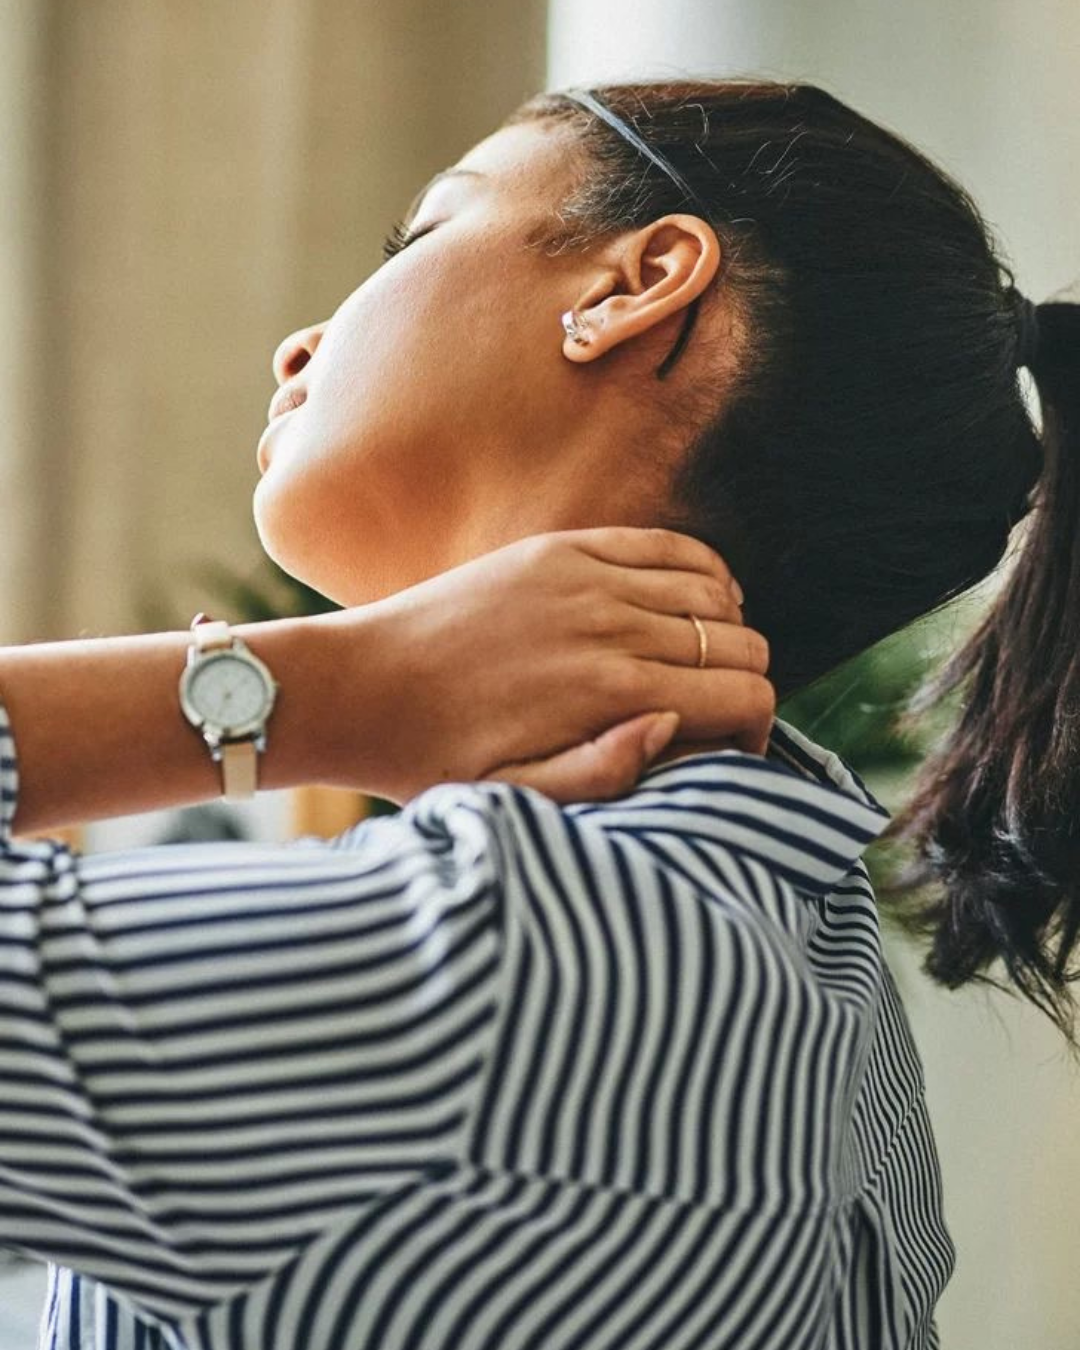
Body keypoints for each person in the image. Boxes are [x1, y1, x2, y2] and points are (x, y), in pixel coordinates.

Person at [0, 72, 1071, 1348]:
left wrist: (316, 691)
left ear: (637, 283)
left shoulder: (522, 950)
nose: (296, 346)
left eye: (424, 233)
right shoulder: (781, 917)